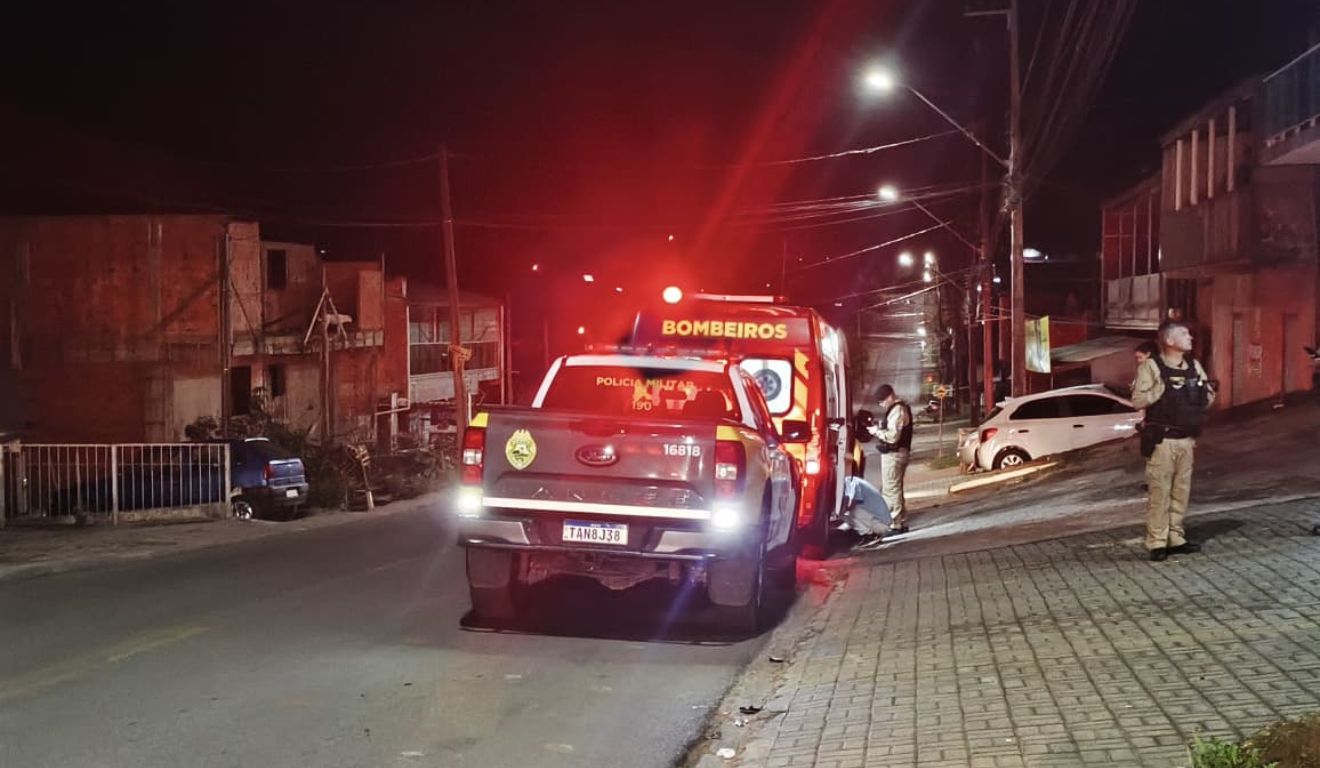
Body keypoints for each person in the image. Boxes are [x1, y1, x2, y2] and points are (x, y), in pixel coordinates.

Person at [1131, 320, 1215, 562]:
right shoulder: (1151, 366)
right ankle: (1157, 542)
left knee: (1181, 492)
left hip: (1186, 439)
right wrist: (1161, 389)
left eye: (1189, 333)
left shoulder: (1194, 366)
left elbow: (1206, 398)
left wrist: (1203, 396)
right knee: (1160, 492)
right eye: (1184, 334)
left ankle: (1176, 537)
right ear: (1169, 341)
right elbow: (1138, 400)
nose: (1190, 337)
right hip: (1162, 440)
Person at [870, 384, 913, 534]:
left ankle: (895, 524)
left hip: (894, 455)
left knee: (891, 490)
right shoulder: (898, 409)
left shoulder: (898, 410)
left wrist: (877, 432)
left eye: (882, 402)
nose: (882, 405)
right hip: (898, 454)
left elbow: (893, 436)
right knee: (896, 488)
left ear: (890, 396)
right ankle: (900, 521)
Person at [843, 474, 891, 550]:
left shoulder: (851, 483)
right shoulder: (849, 481)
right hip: (878, 520)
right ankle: (865, 532)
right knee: (845, 514)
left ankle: (870, 535)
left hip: (881, 523)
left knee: (851, 512)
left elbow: (854, 502)